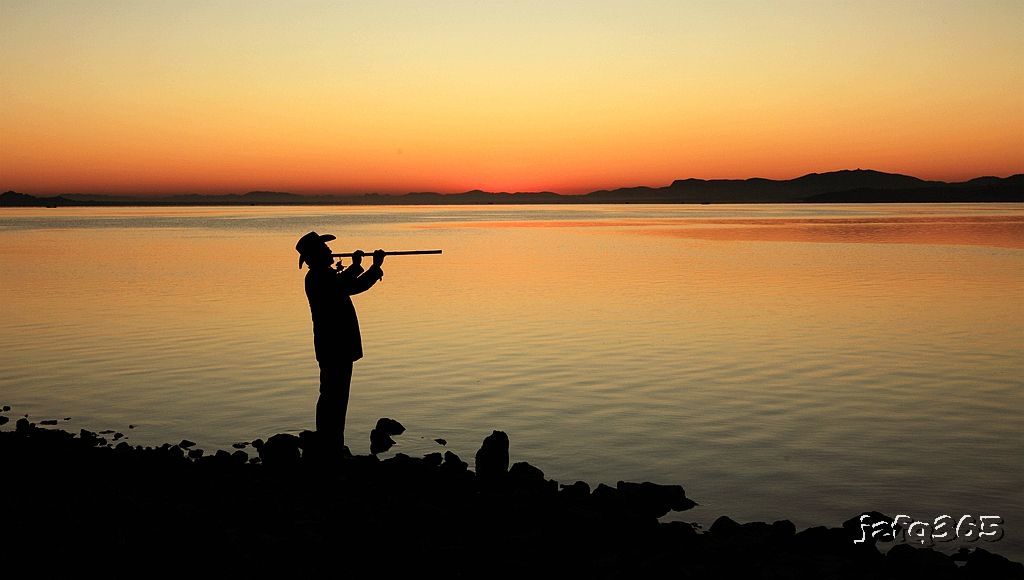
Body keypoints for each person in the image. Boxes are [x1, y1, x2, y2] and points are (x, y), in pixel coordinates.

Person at [295, 231, 385, 450]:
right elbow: (351, 286)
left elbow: (343, 283)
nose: (330, 252)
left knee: (333, 395)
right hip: (335, 346)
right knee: (334, 396)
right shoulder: (319, 277)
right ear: (316, 255)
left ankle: (330, 441)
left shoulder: (321, 276)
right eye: (325, 249)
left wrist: (358, 266)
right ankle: (330, 443)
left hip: (333, 346)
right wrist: (372, 267)